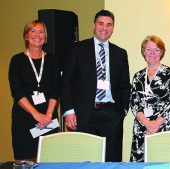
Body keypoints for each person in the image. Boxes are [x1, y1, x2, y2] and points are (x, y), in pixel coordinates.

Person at [60, 9, 130, 162]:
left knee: (112, 160)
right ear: (94, 25)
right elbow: (66, 83)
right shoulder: (78, 49)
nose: (104, 28)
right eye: (101, 24)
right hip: (84, 114)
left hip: (112, 114)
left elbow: (125, 85)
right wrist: (69, 111)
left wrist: (122, 110)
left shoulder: (120, 53)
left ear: (113, 28)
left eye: (109, 25)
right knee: (85, 158)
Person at [8, 20, 60, 161]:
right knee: (23, 159)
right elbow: (17, 92)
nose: (37, 35)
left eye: (41, 31)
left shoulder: (53, 60)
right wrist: (37, 115)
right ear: (26, 36)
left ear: (45, 37)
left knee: (50, 160)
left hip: (49, 119)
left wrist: (48, 116)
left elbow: (56, 89)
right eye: (33, 31)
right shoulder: (16, 61)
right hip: (24, 118)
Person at [130, 35, 170, 162]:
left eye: (156, 49)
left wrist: (156, 124)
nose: (152, 53)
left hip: (165, 125)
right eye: (148, 49)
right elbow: (134, 103)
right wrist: (147, 124)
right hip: (142, 128)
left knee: (164, 162)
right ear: (143, 52)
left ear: (162, 52)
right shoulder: (137, 76)